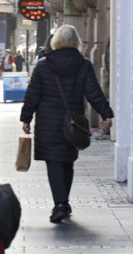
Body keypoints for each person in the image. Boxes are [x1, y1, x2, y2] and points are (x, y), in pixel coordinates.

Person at [20, 24, 113, 223]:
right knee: (67, 160)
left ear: (56, 42)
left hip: (48, 122)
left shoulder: (43, 65)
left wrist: (26, 119)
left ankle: (60, 204)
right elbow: (93, 93)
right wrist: (106, 114)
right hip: (73, 123)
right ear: (75, 41)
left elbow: (32, 95)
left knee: (54, 162)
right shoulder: (83, 65)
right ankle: (64, 202)